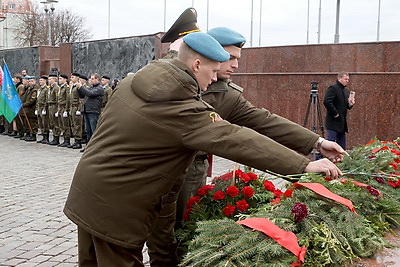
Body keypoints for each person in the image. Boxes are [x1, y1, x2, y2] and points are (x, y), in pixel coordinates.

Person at [64, 32, 345, 266]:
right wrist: (304, 165)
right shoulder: (179, 104)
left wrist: (314, 143)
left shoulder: (136, 80)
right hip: (119, 206)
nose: (215, 78)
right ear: (197, 64)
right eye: (213, 70)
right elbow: (235, 138)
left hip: (90, 192)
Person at [323, 71, 355, 150]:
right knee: (330, 144)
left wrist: (350, 104)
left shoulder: (346, 91)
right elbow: (327, 101)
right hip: (333, 122)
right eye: (345, 79)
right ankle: (320, 158)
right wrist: (335, 113)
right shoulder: (333, 88)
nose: (347, 81)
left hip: (342, 123)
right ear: (339, 78)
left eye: (348, 79)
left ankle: (339, 161)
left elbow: (346, 106)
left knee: (341, 146)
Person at [77, 73, 104, 151]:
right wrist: (79, 88)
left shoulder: (99, 88)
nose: (90, 80)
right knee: (88, 130)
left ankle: (96, 147)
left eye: (92, 79)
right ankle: (88, 146)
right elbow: (82, 95)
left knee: (94, 130)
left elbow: (90, 94)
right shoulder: (90, 88)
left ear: (97, 79)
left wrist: (81, 87)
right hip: (87, 110)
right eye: (90, 79)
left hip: (93, 111)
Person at [67, 72, 84, 149]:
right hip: (71, 107)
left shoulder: (78, 86)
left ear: (77, 78)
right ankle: (75, 140)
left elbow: (81, 98)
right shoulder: (72, 86)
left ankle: (78, 141)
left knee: (77, 125)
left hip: (76, 107)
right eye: (71, 77)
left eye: (73, 77)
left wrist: (79, 109)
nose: (71, 78)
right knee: (73, 125)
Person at [57, 74, 71, 147]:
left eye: (60, 79)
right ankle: (64, 139)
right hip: (59, 107)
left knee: (65, 125)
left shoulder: (66, 88)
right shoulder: (60, 88)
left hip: (64, 107)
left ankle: (67, 140)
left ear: (65, 79)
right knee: (61, 124)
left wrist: (66, 110)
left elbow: (68, 100)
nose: (59, 80)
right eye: (59, 79)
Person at [47, 73, 61, 146]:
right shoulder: (50, 87)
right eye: (48, 79)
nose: (49, 80)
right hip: (50, 105)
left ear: (55, 79)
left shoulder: (56, 88)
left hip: (54, 106)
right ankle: (54, 137)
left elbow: (57, 99)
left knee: (56, 123)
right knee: (51, 122)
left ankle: (56, 138)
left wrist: (57, 109)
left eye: (50, 79)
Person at [36, 75, 50, 144]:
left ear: (45, 81)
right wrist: (36, 108)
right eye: (39, 80)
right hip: (39, 107)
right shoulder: (39, 89)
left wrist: (45, 109)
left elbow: (47, 100)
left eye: (41, 80)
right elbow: (37, 100)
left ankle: (46, 137)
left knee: (45, 123)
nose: (40, 82)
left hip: (43, 107)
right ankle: (43, 137)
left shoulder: (46, 89)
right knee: (40, 123)